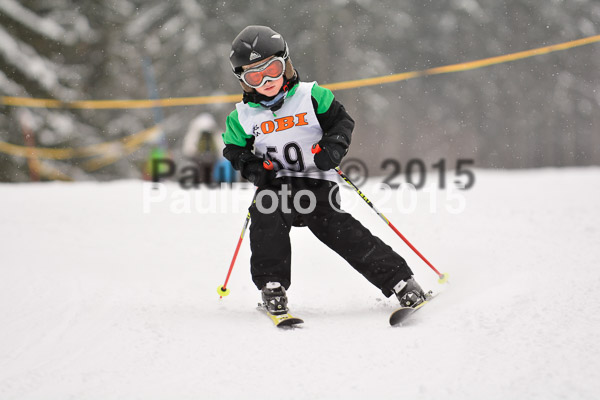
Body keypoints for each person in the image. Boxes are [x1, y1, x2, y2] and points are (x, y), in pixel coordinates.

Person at [221, 25, 426, 316]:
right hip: (276, 185)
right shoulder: (241, 116)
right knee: (265, 214)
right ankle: (272, 286)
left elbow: (341, 123)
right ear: (244, 81)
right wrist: (254, 168)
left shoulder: (311, 96)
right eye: (255, 75)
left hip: (317, 183)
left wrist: (333, 148)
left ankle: (401, 282)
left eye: (273, 69)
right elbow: (233, 149)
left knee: (343, 231)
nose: (266, 80)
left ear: (286, 65)